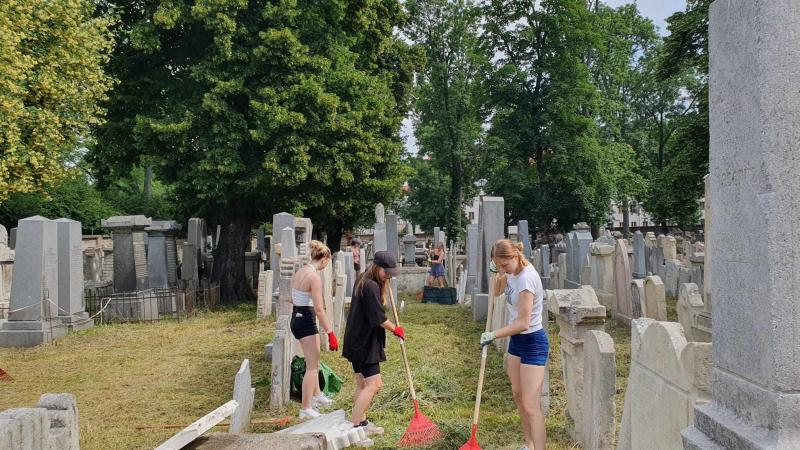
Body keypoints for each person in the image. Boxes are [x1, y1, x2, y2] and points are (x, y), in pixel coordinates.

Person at [480, 239, 548, 450]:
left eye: (504, 265)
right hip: (516, 342)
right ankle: (529, 445)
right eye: (498, 265)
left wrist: (494, 334)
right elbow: (497, 292)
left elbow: (523, 323)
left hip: (533, 342)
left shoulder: (527, 279)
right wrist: (496, 273)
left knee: (531, 405)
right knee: (518, 395)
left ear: (515, 256)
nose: (503, 269)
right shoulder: (510, 272)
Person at [342, 251, 405, 432]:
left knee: (362, 384)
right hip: (364, 343)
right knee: (374, 385)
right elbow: (379, 318)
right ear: (377, 267)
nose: (388, 276)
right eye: (386, 272)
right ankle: (355, 426)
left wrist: (383, 285)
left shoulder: (363, 279)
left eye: (390, 274)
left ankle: (361, 422)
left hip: (355, 339)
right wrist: (396, 329)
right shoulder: (370, 286)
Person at [289, 240, 338, 419]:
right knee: (311, 367)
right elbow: (319, 309)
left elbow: (292, 298)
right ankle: (306, 407)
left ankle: (317, 395)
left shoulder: (300, 271)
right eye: (327, 263)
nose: (326, 266)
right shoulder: (314, 277)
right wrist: (330, 332)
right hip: (306, 320)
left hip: (297, 317)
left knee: (314, 361)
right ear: (324, 259)